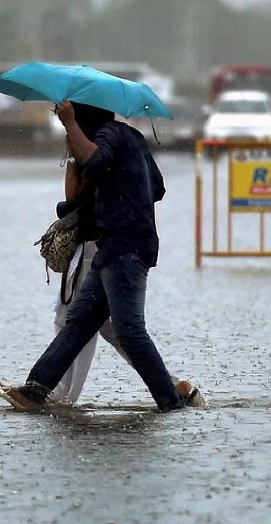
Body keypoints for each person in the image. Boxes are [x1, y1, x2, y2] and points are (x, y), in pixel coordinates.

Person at [0, 100, 198, 413]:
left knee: (129, 331)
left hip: (126, 248)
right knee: (78, 323)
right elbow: (155, 187)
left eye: (74, 118)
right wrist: (113, 179)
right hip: (112, 247)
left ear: (84, 117)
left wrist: (70, 124)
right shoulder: (129, 139)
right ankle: (35, 391)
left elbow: (96, 158)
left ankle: (171, 401)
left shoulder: (110, 136)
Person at [47, 135, 203, 406]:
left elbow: (73, 197)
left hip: (99, 247)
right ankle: (173, 385)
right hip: (111, 245)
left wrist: (72, 153)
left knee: (74, 320)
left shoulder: (97, 147)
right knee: (111, 327)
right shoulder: (122, 144)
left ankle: (58, 394)